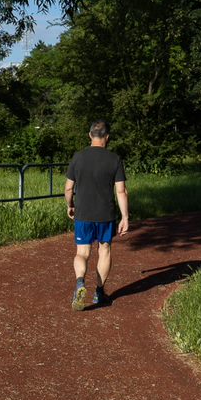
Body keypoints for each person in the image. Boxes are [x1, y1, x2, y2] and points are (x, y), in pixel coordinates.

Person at [64, 120, 130, 310]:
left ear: (89, 135)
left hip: (83, 213)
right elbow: (121, 191)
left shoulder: (78, 157)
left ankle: (80, 283)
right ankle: (99, 293)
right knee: (105, 250)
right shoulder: (114, 159)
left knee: (82, 253)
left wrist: (70, 205)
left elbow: (68, 188)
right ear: (107, 137)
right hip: (105, 214)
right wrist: (125, 217)